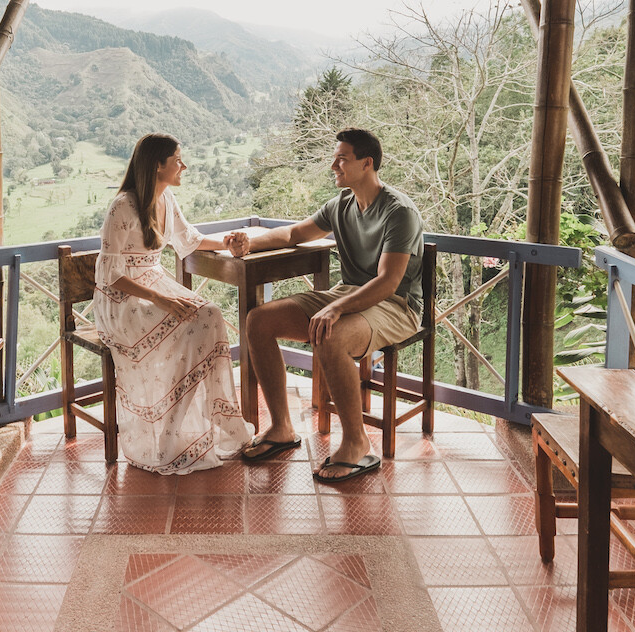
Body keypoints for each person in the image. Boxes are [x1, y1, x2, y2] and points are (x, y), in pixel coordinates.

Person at [228, 128, 424, 483]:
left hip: (396, 305)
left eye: (342, 158)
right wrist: (249, 246)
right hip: (349, 293)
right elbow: (292, 235)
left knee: (331, 336)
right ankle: (281, 428)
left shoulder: (399, 212)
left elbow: (388, 282)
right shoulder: (341, 205)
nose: (333, 165)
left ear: (367, 163)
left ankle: (357, 443)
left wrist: (337, 308)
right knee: (259, 321)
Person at [92, 133, 254, 473]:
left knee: (209, 315)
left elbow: (190, 241)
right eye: (178, 159)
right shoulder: (123, 205)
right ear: (158, 165)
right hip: (122, 299)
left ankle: (189, 427)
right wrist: (161, 298)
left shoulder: (167, 201)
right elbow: (109, 274)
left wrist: (228, 244)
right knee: (194, 320)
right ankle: (167, 432)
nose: (184, 165)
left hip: (156, 285)